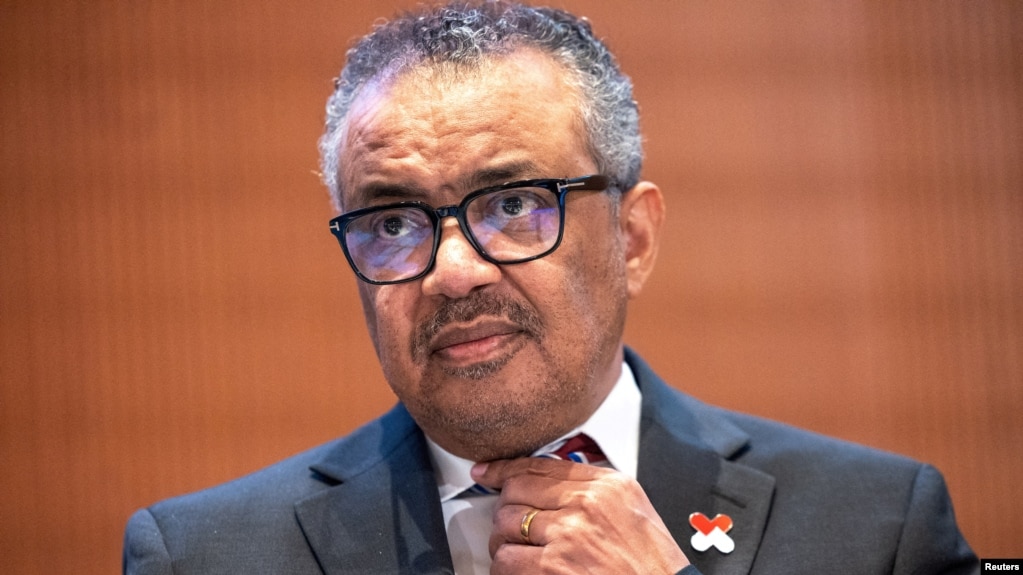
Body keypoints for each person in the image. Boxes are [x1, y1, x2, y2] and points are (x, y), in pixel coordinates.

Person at [123, 2, 979, 574]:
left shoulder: (879, 526)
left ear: (633, 237)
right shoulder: (202, 553)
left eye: (515, 204)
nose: (453, 270)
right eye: (390, 223)